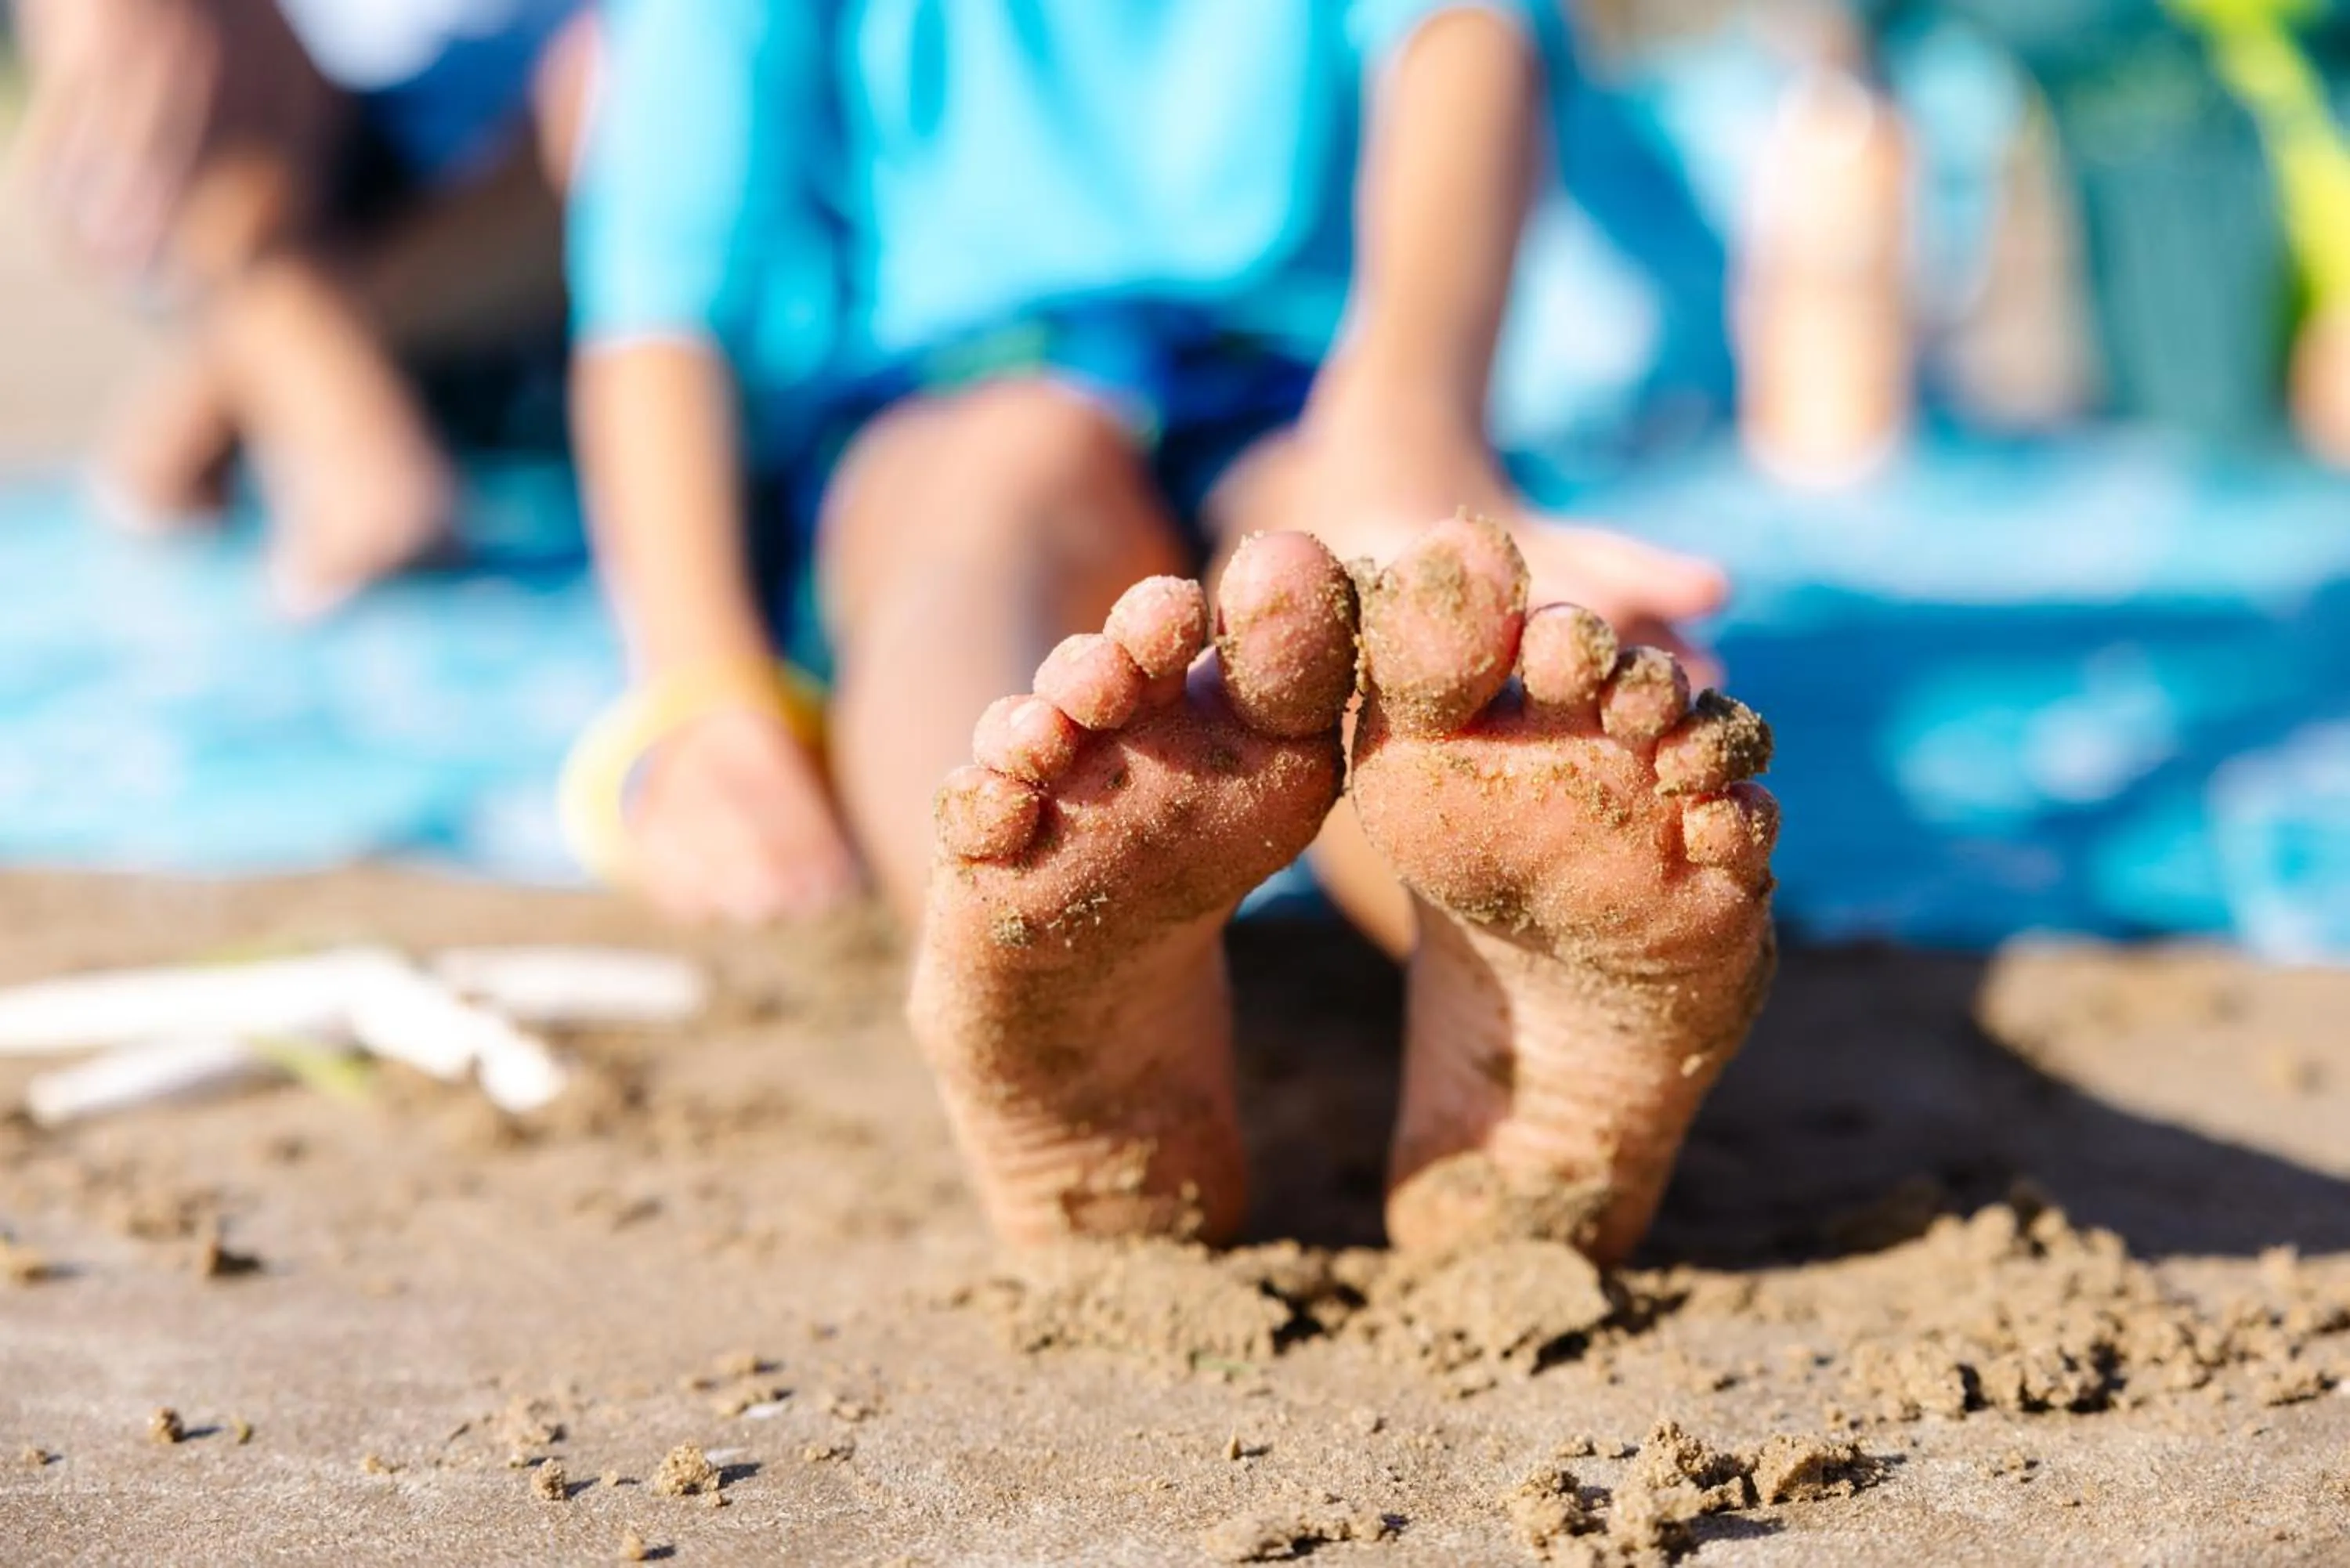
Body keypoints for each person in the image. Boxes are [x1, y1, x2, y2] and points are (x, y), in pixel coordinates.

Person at [566, 0, 1781, 1263]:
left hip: (1295, 391)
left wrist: (1408, 428)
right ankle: (1028, 945)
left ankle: (1498, 952)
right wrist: (710, 695)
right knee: (1003, 489)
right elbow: (662, 292)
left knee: (1350, 568)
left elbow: (1464, 45)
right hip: (961, 381)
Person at [9, 0, 590, 616]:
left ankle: (288, 381)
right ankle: (321, 398)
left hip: (554, 156)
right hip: (300, 146)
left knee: (652, 72)